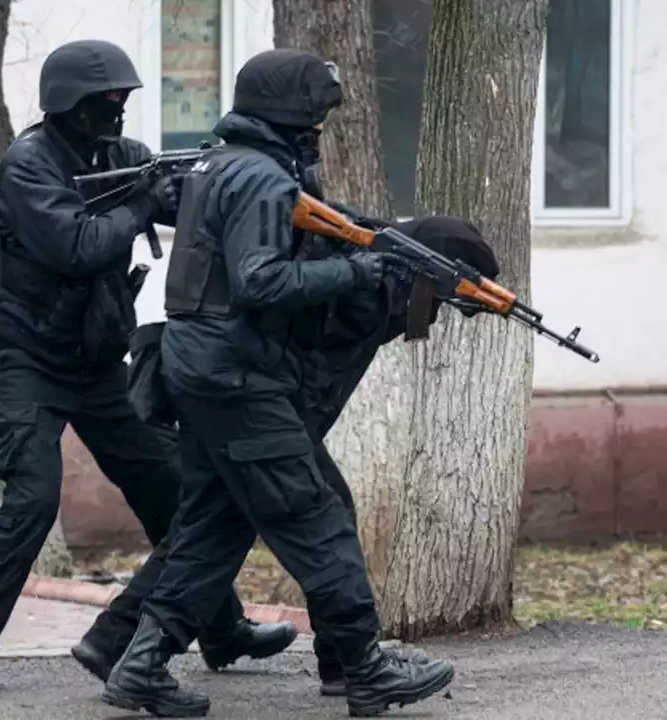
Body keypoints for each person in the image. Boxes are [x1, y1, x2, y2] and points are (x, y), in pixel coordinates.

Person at [97, 48, 458, 718]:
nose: (320, 127)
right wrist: (361, 274)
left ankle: (139, 667)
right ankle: (366, 669)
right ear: (292, 111)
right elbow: (261, 281)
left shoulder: (221, 162)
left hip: (202, 366)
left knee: (212, 527)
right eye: (316, 113)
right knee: (316, 518)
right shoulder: (262, 178)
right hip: (236, 375)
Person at [0, 39, 296, 697]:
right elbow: (78, 245)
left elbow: (182, 202)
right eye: (102, 103)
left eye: (122, 102)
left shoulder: (122, 158)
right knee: (32, 499)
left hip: (99, 360)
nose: (115, 113)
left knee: (172, 487)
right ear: (66, 106)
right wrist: (141, 205)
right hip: (28, 357)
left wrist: (232, 186)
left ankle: (221, 628)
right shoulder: (28, 166)